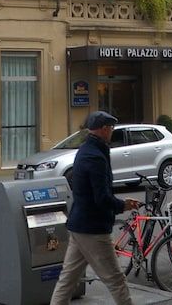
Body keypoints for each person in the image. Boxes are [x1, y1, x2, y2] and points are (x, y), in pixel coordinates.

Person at [49, 111, 139, 305]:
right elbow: (101, 198)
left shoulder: (85, 150)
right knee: (116, 279)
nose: (112, 131)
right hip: (93, 228)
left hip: (79, 225)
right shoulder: (95, 157)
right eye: (111, 128)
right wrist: (123, 205)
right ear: (104, 129)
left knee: (67, 279)